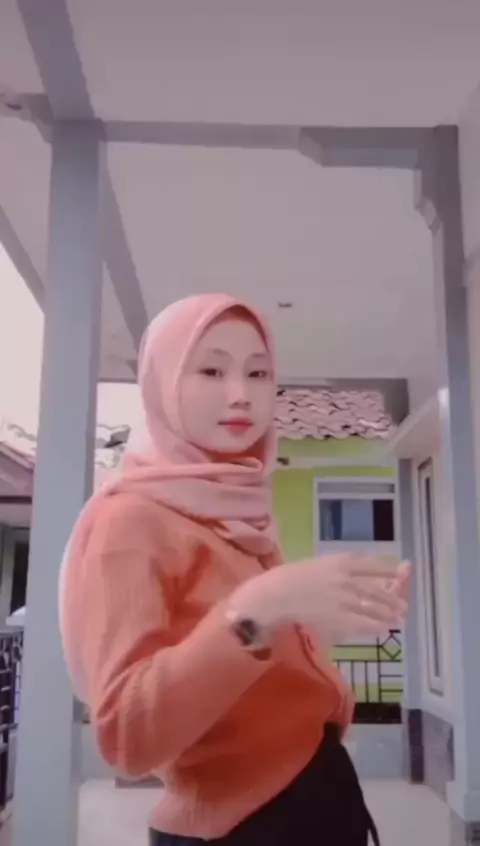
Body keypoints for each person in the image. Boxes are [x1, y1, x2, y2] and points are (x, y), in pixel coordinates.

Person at [59, 293, 409, 846]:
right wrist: (259, 607)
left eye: (258, 372)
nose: (240, 393)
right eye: (211, 370)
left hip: (318, 797)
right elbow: (128, 734)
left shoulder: (237, 509)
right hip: (243, 828)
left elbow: (247, 676)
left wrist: (321, 629)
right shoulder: (130, 521)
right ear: (162, 383)